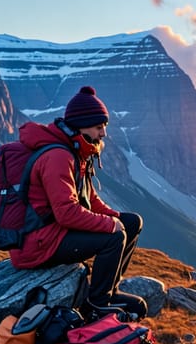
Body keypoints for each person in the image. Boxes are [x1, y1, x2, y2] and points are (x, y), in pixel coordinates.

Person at [9, 86, 147, 321]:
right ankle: (97, 304)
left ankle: (109, 291)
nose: (103, 133)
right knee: (113, 237)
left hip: (55, 233)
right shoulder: (58, 157)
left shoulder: (76, 151)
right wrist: (110, 226)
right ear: (81, 126)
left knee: (131, 222)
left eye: (104, 126)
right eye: (98, 127)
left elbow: (89, 200)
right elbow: (66, 213)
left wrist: (116, 219)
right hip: (39, 243)